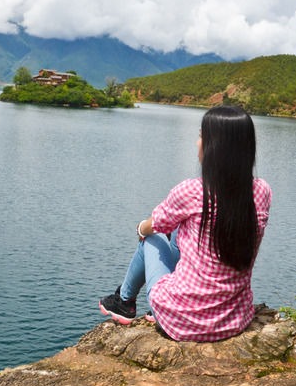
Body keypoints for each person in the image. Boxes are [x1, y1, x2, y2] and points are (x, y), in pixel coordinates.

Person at [99, 104, 272, 342]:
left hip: (182, 320)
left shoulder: (192, 191)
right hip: (233, 320)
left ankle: (124, 302)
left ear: (214, 147)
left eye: (201, 136)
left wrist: (140, 228)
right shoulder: (261, 191)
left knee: (152, 237)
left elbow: (156, 223)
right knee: (184, 230)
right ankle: (131, 302)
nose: (196, 142)